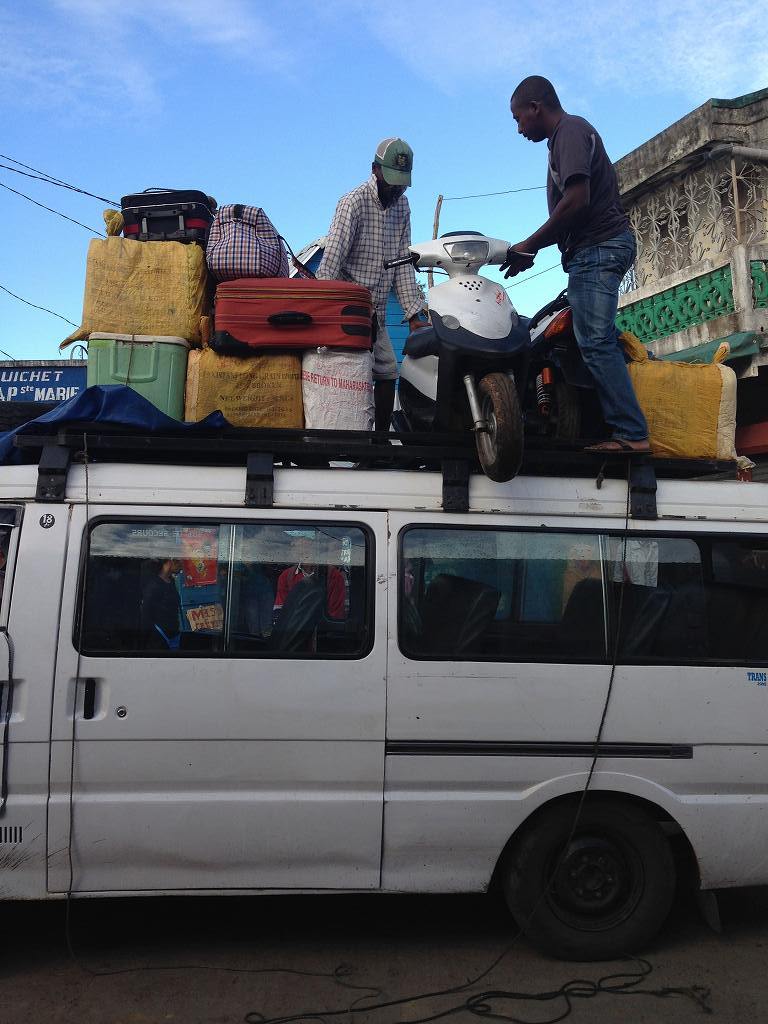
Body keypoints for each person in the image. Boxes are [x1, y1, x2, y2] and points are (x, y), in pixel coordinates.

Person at [504, 76, 650, 453]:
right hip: (594, 250)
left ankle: (632, 435)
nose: (519, 128)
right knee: (594, 341)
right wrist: (533, 250)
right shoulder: (564, 138)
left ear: (536, 107)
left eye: (519, 118)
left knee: (596, 342)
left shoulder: (569, 132)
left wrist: (530, 245)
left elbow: (577, 201)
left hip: (599, 248)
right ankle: (614, 423)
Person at [316, 138, 428, 432]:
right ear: (375, 170)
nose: (396, 189)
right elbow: (331, 263)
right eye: (391, 182)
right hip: (349, 309)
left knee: (389, 371)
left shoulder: (402, 207)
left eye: (402, 184)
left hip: (377, 310)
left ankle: (378, 443)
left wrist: (416, 314)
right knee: (356, 372)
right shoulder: (352, 202)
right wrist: (326, 314)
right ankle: (349, 437)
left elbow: (402, 264)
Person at [273, 533, 345, 623]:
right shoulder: (285, 576)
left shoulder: (333, 576)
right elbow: (280, 610)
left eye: (308, 548)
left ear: (317, 551)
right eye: (299, 549)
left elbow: (335, 615)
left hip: (323, 633)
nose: (304, 553)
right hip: (293, 632)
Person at [140, 557, 183, 650]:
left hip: (174, 634)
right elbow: (146, 615)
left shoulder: (171, 581)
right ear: (171, 560)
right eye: (180, 560)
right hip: (159, 637)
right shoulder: (153, 586)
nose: (182, 563)